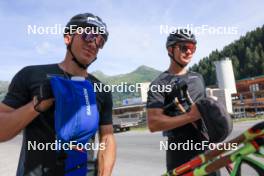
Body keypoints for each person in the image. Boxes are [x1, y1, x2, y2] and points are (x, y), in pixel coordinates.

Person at [0, 13, 116, 176]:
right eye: (88, 35)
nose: (94, 44)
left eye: (100, 41)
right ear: (68, 38)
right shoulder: (31, 75)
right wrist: (35, 105)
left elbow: (107, 138)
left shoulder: (101, 89)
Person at [146, 29, 220, 175]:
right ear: (170, 49)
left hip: (206, 147)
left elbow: (204, 112)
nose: (189, 52)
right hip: (179, 152)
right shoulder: (159, 83)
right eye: (184, 47)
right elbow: (153, 123)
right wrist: (190, 117)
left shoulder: (198, 78)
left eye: (192, 48)